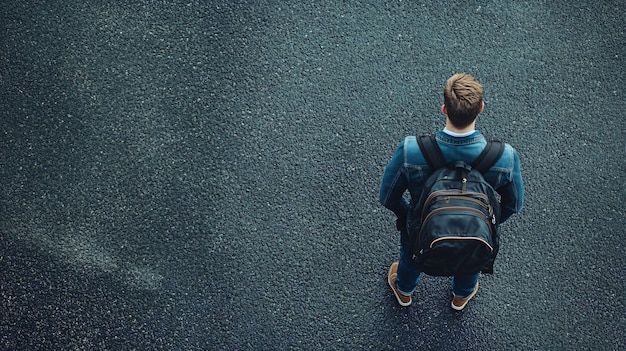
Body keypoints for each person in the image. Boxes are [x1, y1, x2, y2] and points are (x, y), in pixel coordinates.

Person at [379, 73, 524, 310]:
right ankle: (461, 295)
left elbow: (387, 196)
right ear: (481, 108)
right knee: (470, 256)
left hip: (421, 224)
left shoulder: (411, 150)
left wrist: (409, 216)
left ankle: (404, 291)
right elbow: (514, 204)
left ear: (444, 108)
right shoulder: (505, 156)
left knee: (411, 254)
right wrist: (489, 222)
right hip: (476, 229)